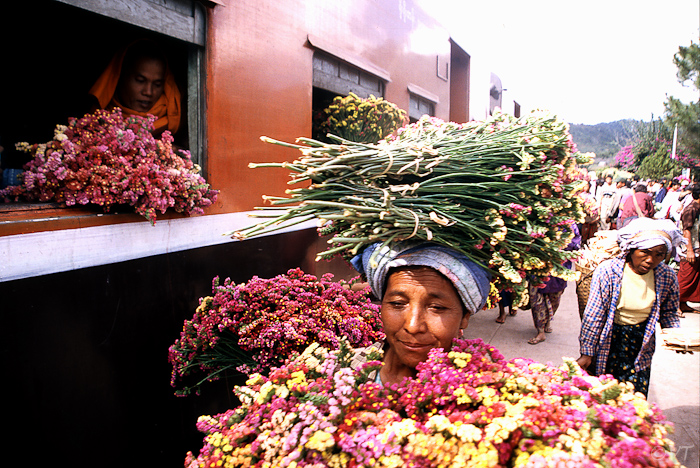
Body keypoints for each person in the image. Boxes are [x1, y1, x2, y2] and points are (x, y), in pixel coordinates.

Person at [350, 241, 491, 385]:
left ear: (464, 317)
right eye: (397, 303)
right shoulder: (341, 371)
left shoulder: (481, 394)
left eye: (436, 307)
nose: (413, 326)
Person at [577, 218, 685, 396]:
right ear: (631, 249)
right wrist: (587, 352)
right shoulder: (609, 271)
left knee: (634, 395)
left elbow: (669, 313)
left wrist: (677, 337)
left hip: (641, 340)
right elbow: (594, 315)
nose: (651, 260)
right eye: (645, 252)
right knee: (604, 394)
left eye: (659, 254)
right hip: (610, 337)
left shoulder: (666, 276)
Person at [89, 39, 181, 137]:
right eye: (140, 80)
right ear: (120, 77)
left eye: (157, 84)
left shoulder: (169, 124)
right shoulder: (95, 120)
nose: (148, 92)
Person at [527, 223, 581, 345]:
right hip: (539, 266)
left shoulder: (570, 224)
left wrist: (559, 244)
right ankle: (540, 331)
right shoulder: (541, 219)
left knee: (554, 298)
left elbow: (575, 244)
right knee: (536, 298)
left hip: (559, 268)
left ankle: (547, 321)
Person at [678, 183, 700, 315]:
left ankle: (683, 303)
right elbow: (687, 230)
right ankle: (674, 304)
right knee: (685, 277)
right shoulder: (691, 209)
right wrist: (690, 250)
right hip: (689, 249)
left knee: (693, 277)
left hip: (697, 248)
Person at [576, 179, 599, 246]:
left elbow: (594, 205)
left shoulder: (592, 196)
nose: (585, 187)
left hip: (590, 217)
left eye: (587, 186)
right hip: (583, 217)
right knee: (582, 232)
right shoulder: (580, 195)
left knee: (590, 233)